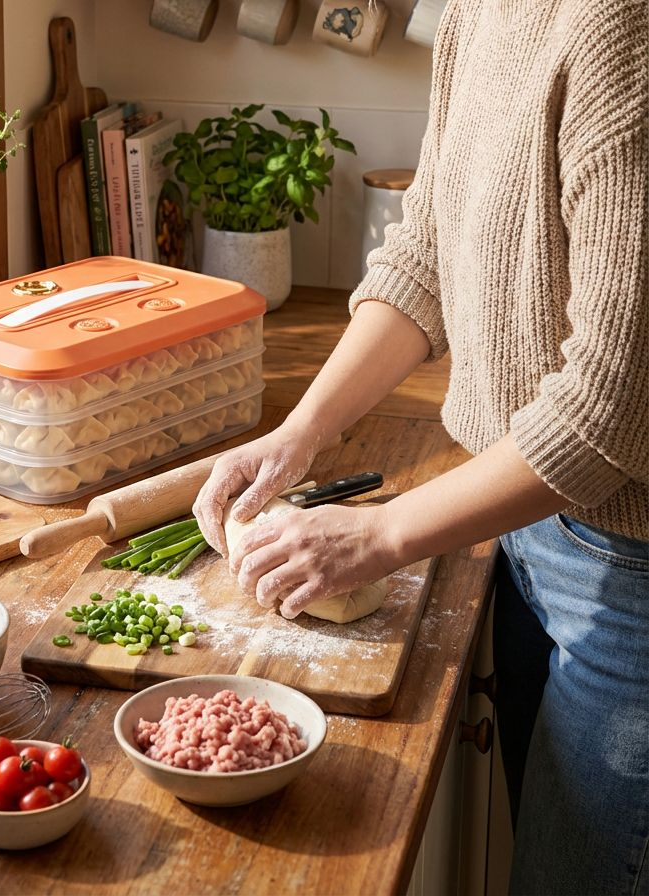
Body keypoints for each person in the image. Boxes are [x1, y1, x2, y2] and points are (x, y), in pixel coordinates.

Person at [192, 2, 648, 893]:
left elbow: (612, 404)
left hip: (629, 576)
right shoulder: (479, 12)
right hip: (520, 519)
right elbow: (424, 254)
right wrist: (300, 433)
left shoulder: (622, 28)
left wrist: (379, 535)